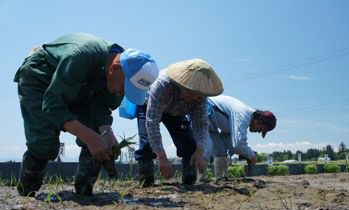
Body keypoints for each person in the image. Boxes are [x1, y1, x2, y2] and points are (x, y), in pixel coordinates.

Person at [14, 33, 159, 196]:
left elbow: (101, 106)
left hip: (80, 86)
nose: (122, 92)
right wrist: (89, 137)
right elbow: (52, 105)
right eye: (124, 87)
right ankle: (27, 192)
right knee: (44, 140)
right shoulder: (81, 56)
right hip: (41, 76)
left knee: (97, 134)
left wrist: (106, 132)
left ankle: (84, 190)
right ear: (114, 69)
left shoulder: (124, 72)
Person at [134, 58, 223, 187]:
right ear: (182, 84)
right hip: (149, 105)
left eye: (198, 94)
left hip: (176, 112)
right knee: (146, 143)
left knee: (189, 145)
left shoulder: (200, 98)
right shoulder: (162, 85)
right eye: (191, 92)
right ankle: (145, 182)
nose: (195, 97)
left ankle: (189, 181)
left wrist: (200, 151)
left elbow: (201, 124)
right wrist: (162, 157)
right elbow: (152, 123)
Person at [203, 95, 276, 180]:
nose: (258, 132)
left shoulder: (241, 120)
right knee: (207, 148)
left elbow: (228, 137)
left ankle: (221, 179)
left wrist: (242, 153)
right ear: (259, 121)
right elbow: (238, 143)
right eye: (261, 130)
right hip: (202, 111)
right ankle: (196, 180)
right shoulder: (242, 115)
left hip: (211, 123)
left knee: (220, 150)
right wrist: (251, 155)